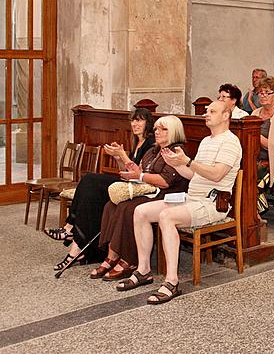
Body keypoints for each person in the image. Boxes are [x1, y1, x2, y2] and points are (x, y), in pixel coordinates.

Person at [117, 100, 242, 304]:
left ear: (226, 115)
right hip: (192, 199)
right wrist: (176, 163)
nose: (206, 114)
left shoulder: (230, 142)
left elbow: (217, 175)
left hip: (213, 203)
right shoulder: (207, 141)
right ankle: (143, 270)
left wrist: (187, 161)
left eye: (212, 111)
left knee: (167, 217)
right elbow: (193, 175)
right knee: (140, 211)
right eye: (206, 111)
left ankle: (172, 281)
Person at [47, 108, 155, 270]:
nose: (135, 124)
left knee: (90, 180)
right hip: (128, 182)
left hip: (139, 187)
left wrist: (122, 155)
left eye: (139, 120)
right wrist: (118, 158)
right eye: (133, 120)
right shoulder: (137, 142)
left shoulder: (150, 143)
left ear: (148, 123)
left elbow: (139, 174)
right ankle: (73, 233)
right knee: (89, 189)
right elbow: (125, 171)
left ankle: (70, 228)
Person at [92, 115, 190, 280]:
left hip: (168, 194)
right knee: (112, 204)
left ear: (174, 131)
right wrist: (120, 159)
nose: (157, 132)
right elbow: (138, 171)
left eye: (163, 129)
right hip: (149, 190)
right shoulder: (153, 150)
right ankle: (113, 254)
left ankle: (129, 259)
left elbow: (165, 181)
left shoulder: (177, 151)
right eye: (156, 129)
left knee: (128, 207)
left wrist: (140, 176)